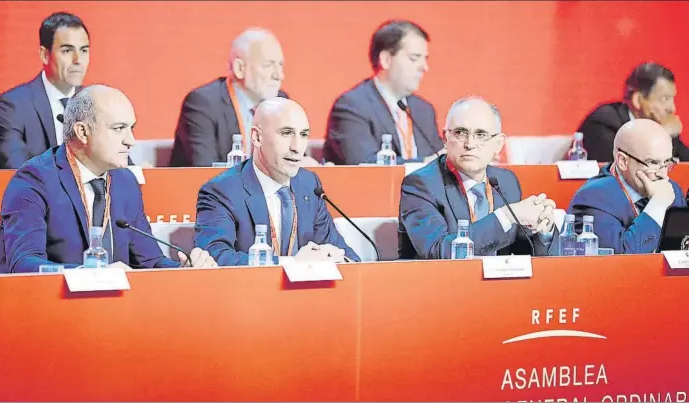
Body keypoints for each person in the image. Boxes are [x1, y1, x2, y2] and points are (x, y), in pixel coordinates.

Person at [0, 85, 217, 273]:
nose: (130, 141)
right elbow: (24, 264)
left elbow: (149, 262)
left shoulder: (125, 182)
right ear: (82, 132)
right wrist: (91, 275)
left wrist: (182, 270)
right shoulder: (34, 181)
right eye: (119, 129)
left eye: (131, 128)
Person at [194, 97, 359, 266]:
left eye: (303, 135)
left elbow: (345, 253)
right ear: (257, 137)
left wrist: (340, 259)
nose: (297, 147)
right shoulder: (221, 191)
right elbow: (215, 258)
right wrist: (292, 263)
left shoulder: (309, 185)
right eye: (286, 133)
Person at [398, 97, 558, 259]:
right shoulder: (421, 185)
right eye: (460, 133)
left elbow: (521, 250)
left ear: (498, 144)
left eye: (481, 135)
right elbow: (438, 251)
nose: (470, 144)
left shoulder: (506, 182)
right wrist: (506, 216)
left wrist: (542, 230)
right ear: (445, 138)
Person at [170, 27, 317, 167]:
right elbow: (205, 172)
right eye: (268, 65)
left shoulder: (280, 102)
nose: (279, 75)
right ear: (239, 68)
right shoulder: (203, 104)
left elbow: (294, 157)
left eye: (280, 65)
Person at [323, 20, 444, 165]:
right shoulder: (352, 107)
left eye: (425, 59)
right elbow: (363, 165)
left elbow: (439, 159)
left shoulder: (423, 110)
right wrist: (425, 163)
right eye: (414, 58)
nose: (424, 67)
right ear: (386, 60)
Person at [569, 119, 686, 254]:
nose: (663, 174)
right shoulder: (594, 199)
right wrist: (657, 205)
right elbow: (622, 261)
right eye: (653, 163)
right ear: (623, 161)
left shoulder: (672, 191)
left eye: (667, 163)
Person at [0, 12, 91, 169]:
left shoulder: (95, 103)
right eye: (67, 51)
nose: (78, 60)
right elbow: (17, 171)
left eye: (84, 50)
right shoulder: (12, 106)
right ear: (45, 55)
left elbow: (125, 168)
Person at [578, 62, 689, 162]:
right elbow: (624, 169)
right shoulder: (604, 123)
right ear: (637, 100)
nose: (672, 108)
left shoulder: (662, 126)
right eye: (664, 99)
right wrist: (662, 134)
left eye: (672, 99)